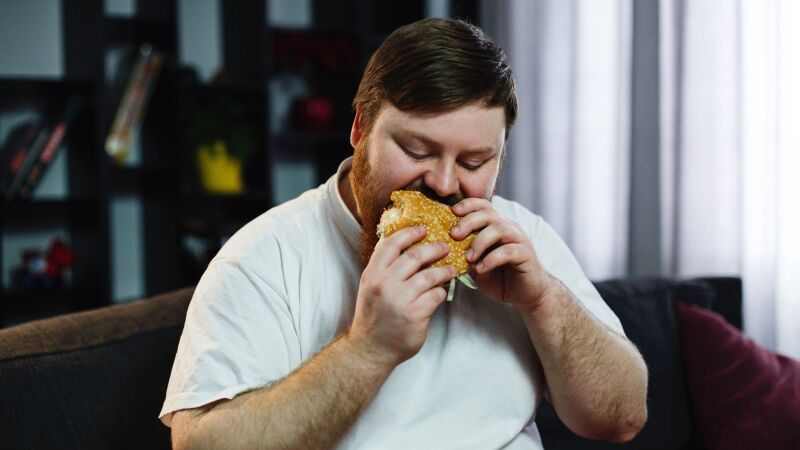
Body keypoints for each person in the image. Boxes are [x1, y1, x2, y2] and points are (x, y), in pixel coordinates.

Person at [160, 18, 648, 450]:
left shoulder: (522, 238)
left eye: (475, 162)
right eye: (417, 151)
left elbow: (622, 419)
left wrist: (544, 301)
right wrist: (368, 349)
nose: (443, 183)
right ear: (359, 129)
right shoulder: (265, 258)